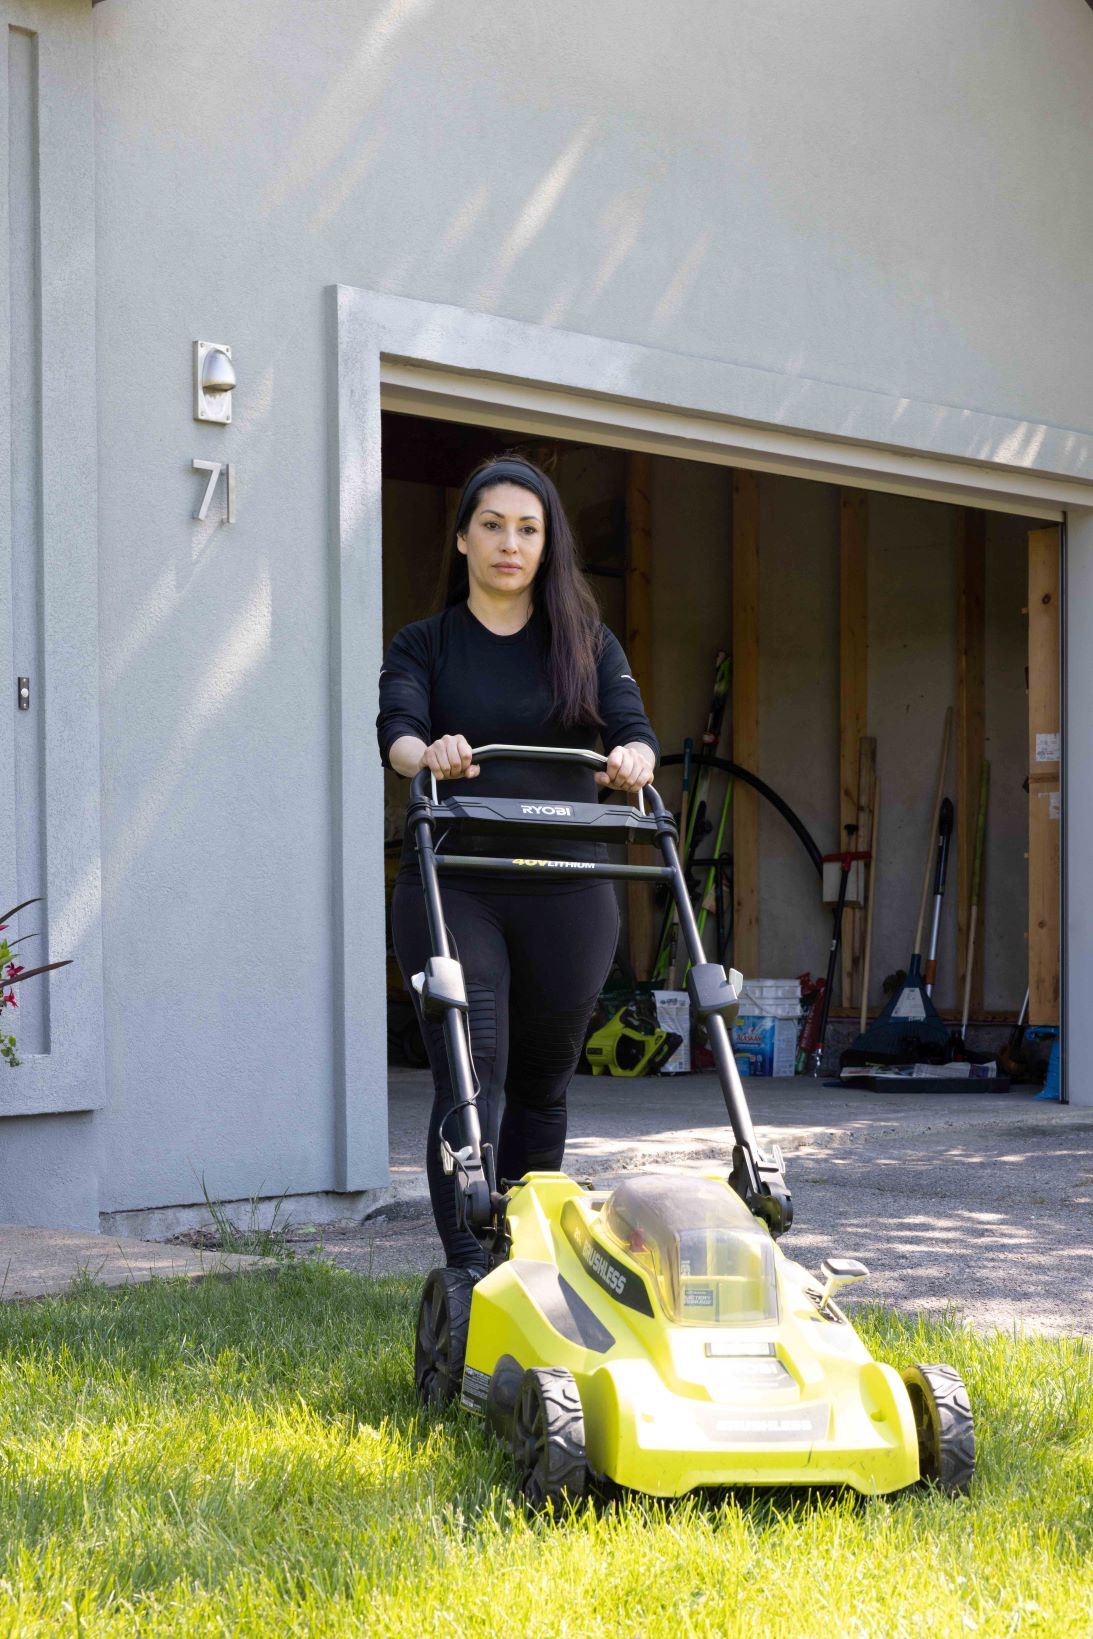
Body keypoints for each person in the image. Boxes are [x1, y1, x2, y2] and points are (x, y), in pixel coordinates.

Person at [377, 454, 659, 1270]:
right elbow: (395, 731)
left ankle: (525, 1260)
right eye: (492, 525)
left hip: (567, 885)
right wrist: (425, 749)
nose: (510, 542)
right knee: (475, 1069)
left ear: (547, 544)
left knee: (542, 1079)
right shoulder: (424, 643)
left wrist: (633, 757)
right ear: (463, 538)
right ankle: (469, 1267)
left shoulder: (585, 641)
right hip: (456, 883)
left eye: (527, 529)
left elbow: (631, 726)